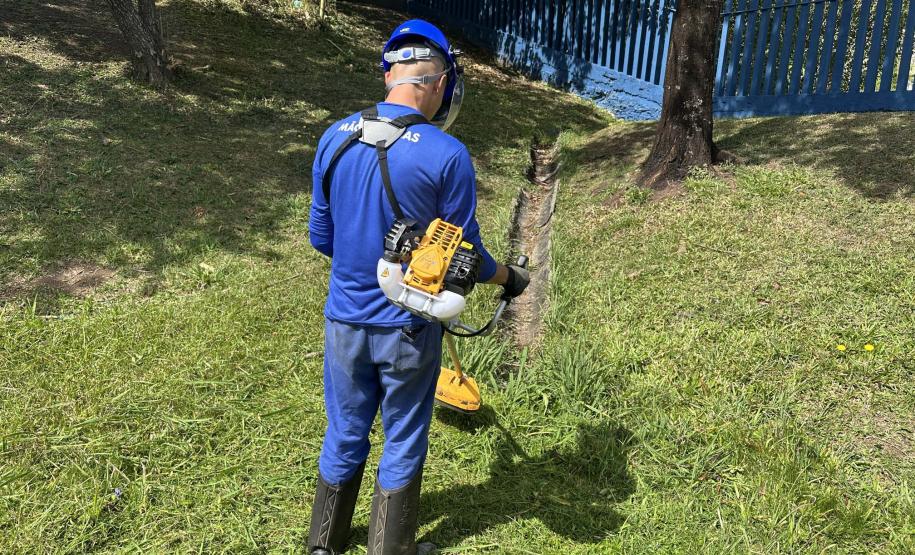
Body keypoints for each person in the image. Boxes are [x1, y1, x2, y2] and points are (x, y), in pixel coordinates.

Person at [306, 19, 529, 555]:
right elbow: (466, 257)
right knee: (403, 436)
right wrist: (510, 278)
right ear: (439, 84)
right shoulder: (446, 154)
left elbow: (321, 236)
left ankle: (323, 547)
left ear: (390, 75)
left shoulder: (332, 138)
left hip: (343, 322)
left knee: (344, 431)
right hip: (406, 327)